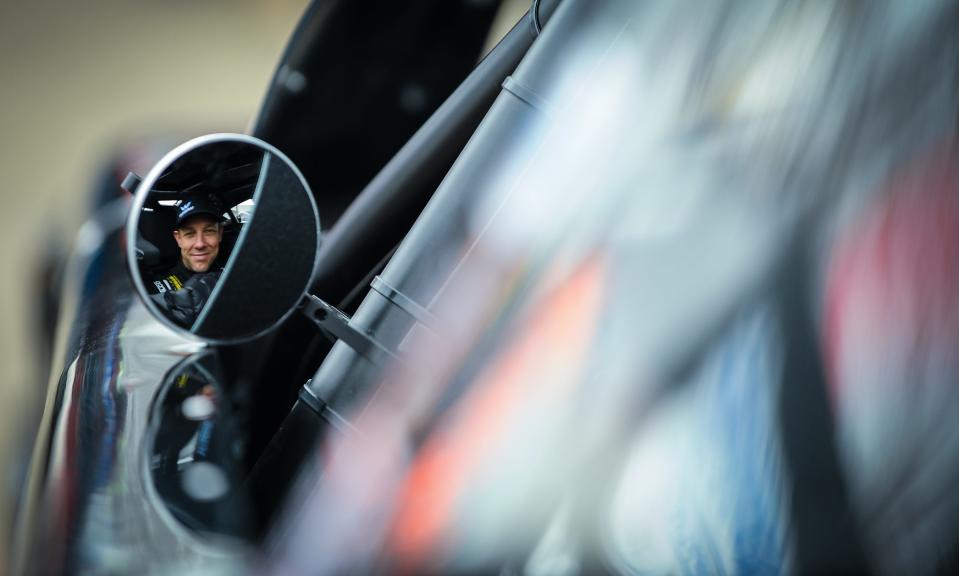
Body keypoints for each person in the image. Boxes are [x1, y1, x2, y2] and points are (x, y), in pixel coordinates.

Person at [147, 193, 225, 328]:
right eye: (190, 234)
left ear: (220, 234)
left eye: (209, 231)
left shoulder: (233, 275)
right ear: (178, 239)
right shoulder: (155, 287)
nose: (200, 244)